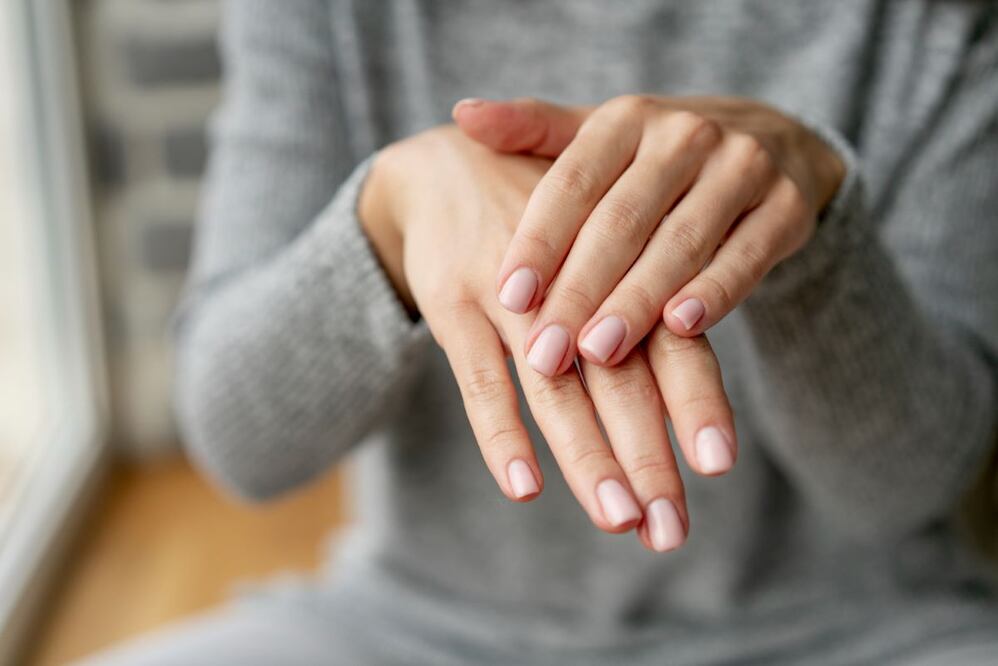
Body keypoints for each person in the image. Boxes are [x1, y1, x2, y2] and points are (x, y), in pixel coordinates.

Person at [85, 1, 998, 664]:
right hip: (416, 628)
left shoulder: (934, 24)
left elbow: (907, 488)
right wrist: (383, 227)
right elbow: (242, 442)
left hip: (856, 630)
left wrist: (816, 225)